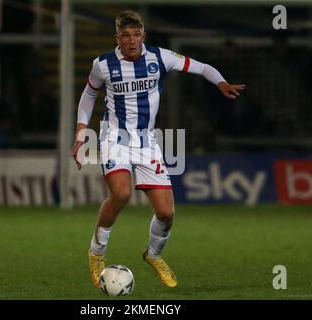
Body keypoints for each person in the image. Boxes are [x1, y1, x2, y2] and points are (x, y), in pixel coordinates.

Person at [71, 10, 245, 289]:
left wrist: (221, 83)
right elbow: (90, 93)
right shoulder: (103, 64)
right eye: (125, 35)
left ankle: (153, 255)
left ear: (143, 35)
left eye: (136, 34)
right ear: (117, 37)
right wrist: (81, 129)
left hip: (147, 142)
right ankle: (97, 252)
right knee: (121, 193)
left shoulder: (160, 57)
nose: (131, 40)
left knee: (166, 214)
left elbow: (201, 67)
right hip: (114, 138)